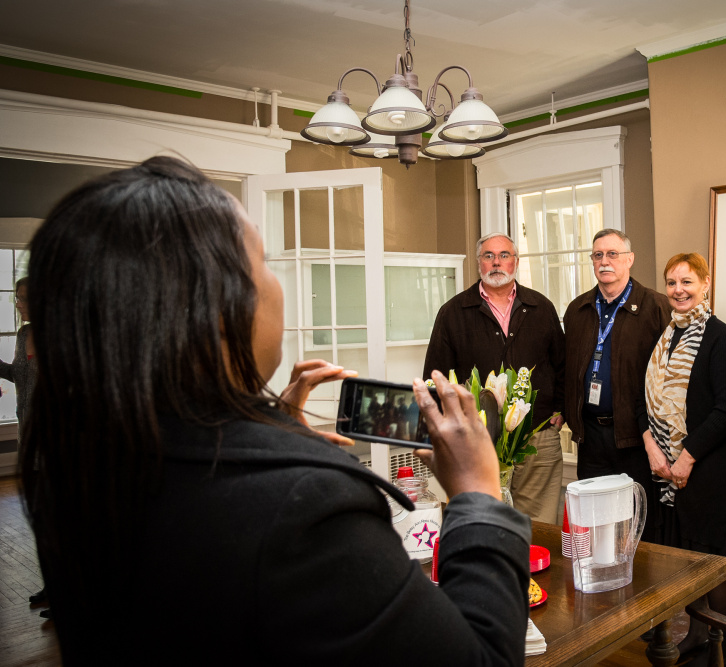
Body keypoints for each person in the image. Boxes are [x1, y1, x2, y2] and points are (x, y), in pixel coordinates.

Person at [20, 157, 531, 665]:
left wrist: (268, 430)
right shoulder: (308, 503)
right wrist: (479, 494)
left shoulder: (71, 467)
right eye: (263, 260)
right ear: (215, 307)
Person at [642, 252, 726, 667]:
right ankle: (699, 636)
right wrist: (652, 445)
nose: (678, 291)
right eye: (671, 283)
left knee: (715, 562)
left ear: (705, 284)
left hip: (710, 468)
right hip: (668, 466)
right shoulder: (668, 335)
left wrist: (686, 457)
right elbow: (646, 396)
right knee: (688, 561)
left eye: (687, 282)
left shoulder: (717, 336)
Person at [424, 232, 565, 524]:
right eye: (488, 256)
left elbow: (562, 364)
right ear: (479, 263)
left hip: (537, 435)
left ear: (516, 261)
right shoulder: (453, 313)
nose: (496, 262)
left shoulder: (541, 308)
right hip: (478, 439)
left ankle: (532, 572)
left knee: (539, 524)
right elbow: (434, 377)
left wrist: (560, 409)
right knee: (484, 521)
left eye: (504, 256)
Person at [563, 229, 671, 540]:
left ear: (629, 260)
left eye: (613, 254)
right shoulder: (578, 309)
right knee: (595, 525)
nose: (604, 261)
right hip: (590, 437)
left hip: (637, 438)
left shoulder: (655, 306)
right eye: (598, 255)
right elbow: (566, 368)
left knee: (639, 525)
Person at [0, 277, 47, 612]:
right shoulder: (22, 335)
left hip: (54, 439)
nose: (19, 304)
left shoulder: (58, 336)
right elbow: (20, 375)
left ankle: (68, 589)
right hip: (27, 435)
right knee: (40, 517)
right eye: (17, 298)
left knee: (56, 518)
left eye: (25, 298)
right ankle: (52, 584)